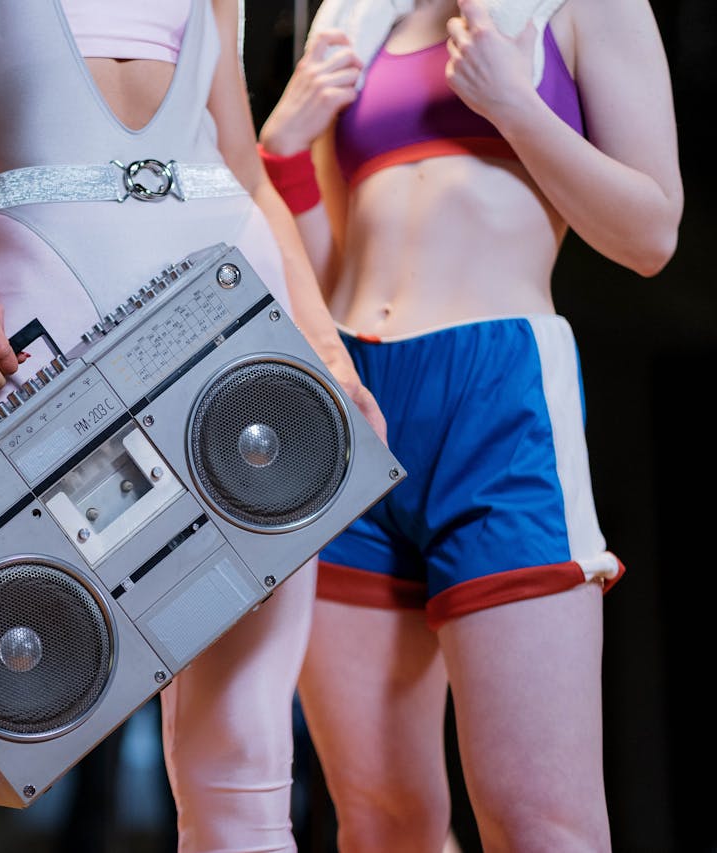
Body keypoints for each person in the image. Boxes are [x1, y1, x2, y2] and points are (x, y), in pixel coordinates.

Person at [0, 0, 386, 850]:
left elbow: (241, 165)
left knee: (245, 764)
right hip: (33, 307)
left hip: (236, 303)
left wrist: (328, 353)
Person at [256, 0, 682, 849]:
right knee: (381, 823)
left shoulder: (591, 7)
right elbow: (331, 260)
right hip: (353, 402)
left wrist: (515, 107)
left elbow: (650, 233)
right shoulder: (355, 14)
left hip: (496, 394)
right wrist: (282, 152)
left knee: (540, 823)